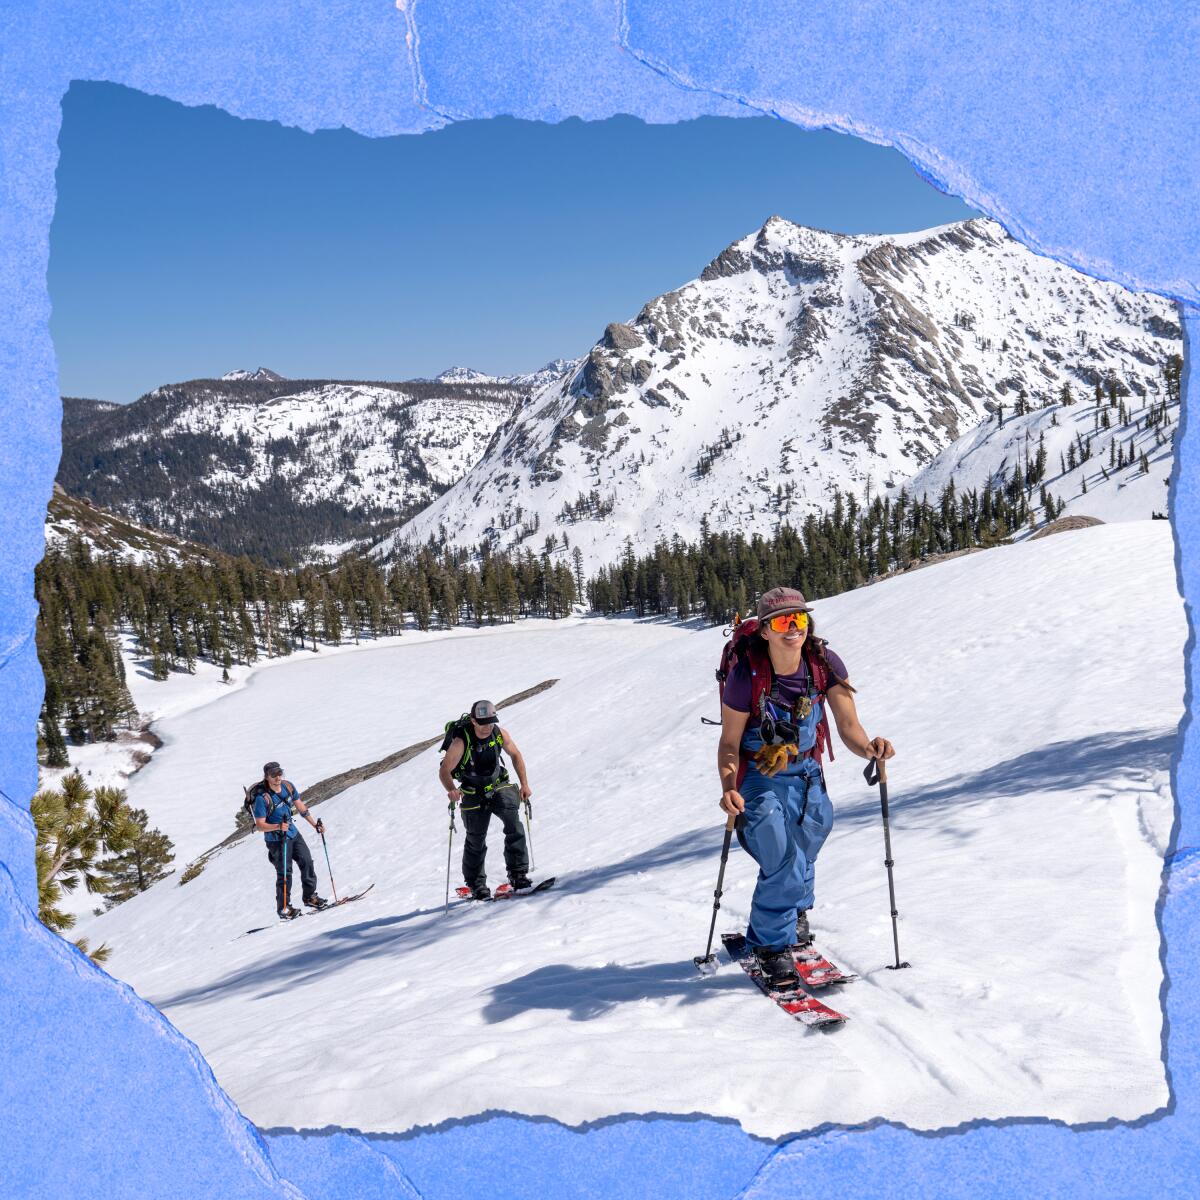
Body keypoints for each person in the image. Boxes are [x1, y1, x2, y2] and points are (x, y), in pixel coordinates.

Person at [717, 586, 895, 989]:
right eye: (782, 621)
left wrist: (869, 748)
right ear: (764, 630)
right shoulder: (747, 676)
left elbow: (848, 726)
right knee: (780, 857)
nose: (793, 628)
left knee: (808, 842)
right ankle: (769, 947)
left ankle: (794, 910)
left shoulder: (823, 663)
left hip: (806, 771)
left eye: (799, 619)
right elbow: (729, 742)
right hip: (760, 776)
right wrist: (730, 785)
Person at [440, 700, 533, 900]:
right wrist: (451, 789)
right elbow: (445, 770)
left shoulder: (499, 733)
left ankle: (518, 875)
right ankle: (477, 885)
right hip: (472, 792)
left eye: (491, 722)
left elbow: (515, 754)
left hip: (499, 785)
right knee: (476, 839)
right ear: (473, 721)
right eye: (483, 723)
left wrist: (524, 784)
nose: (487, 727)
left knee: (513, 825)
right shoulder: (461, 741)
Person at [251, 761, 329, 919]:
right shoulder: (262, 798)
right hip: (276, 841)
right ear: (267, 777)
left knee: (307, 862)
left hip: (293, 833)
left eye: (280, 773)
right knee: (285, 873)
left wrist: (315, 824)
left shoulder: (288, 786)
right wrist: (278, 827)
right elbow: (260, 825)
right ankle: (284, 908)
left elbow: (300, 806)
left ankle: (309, 897)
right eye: (273, 775)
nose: (278, 777)